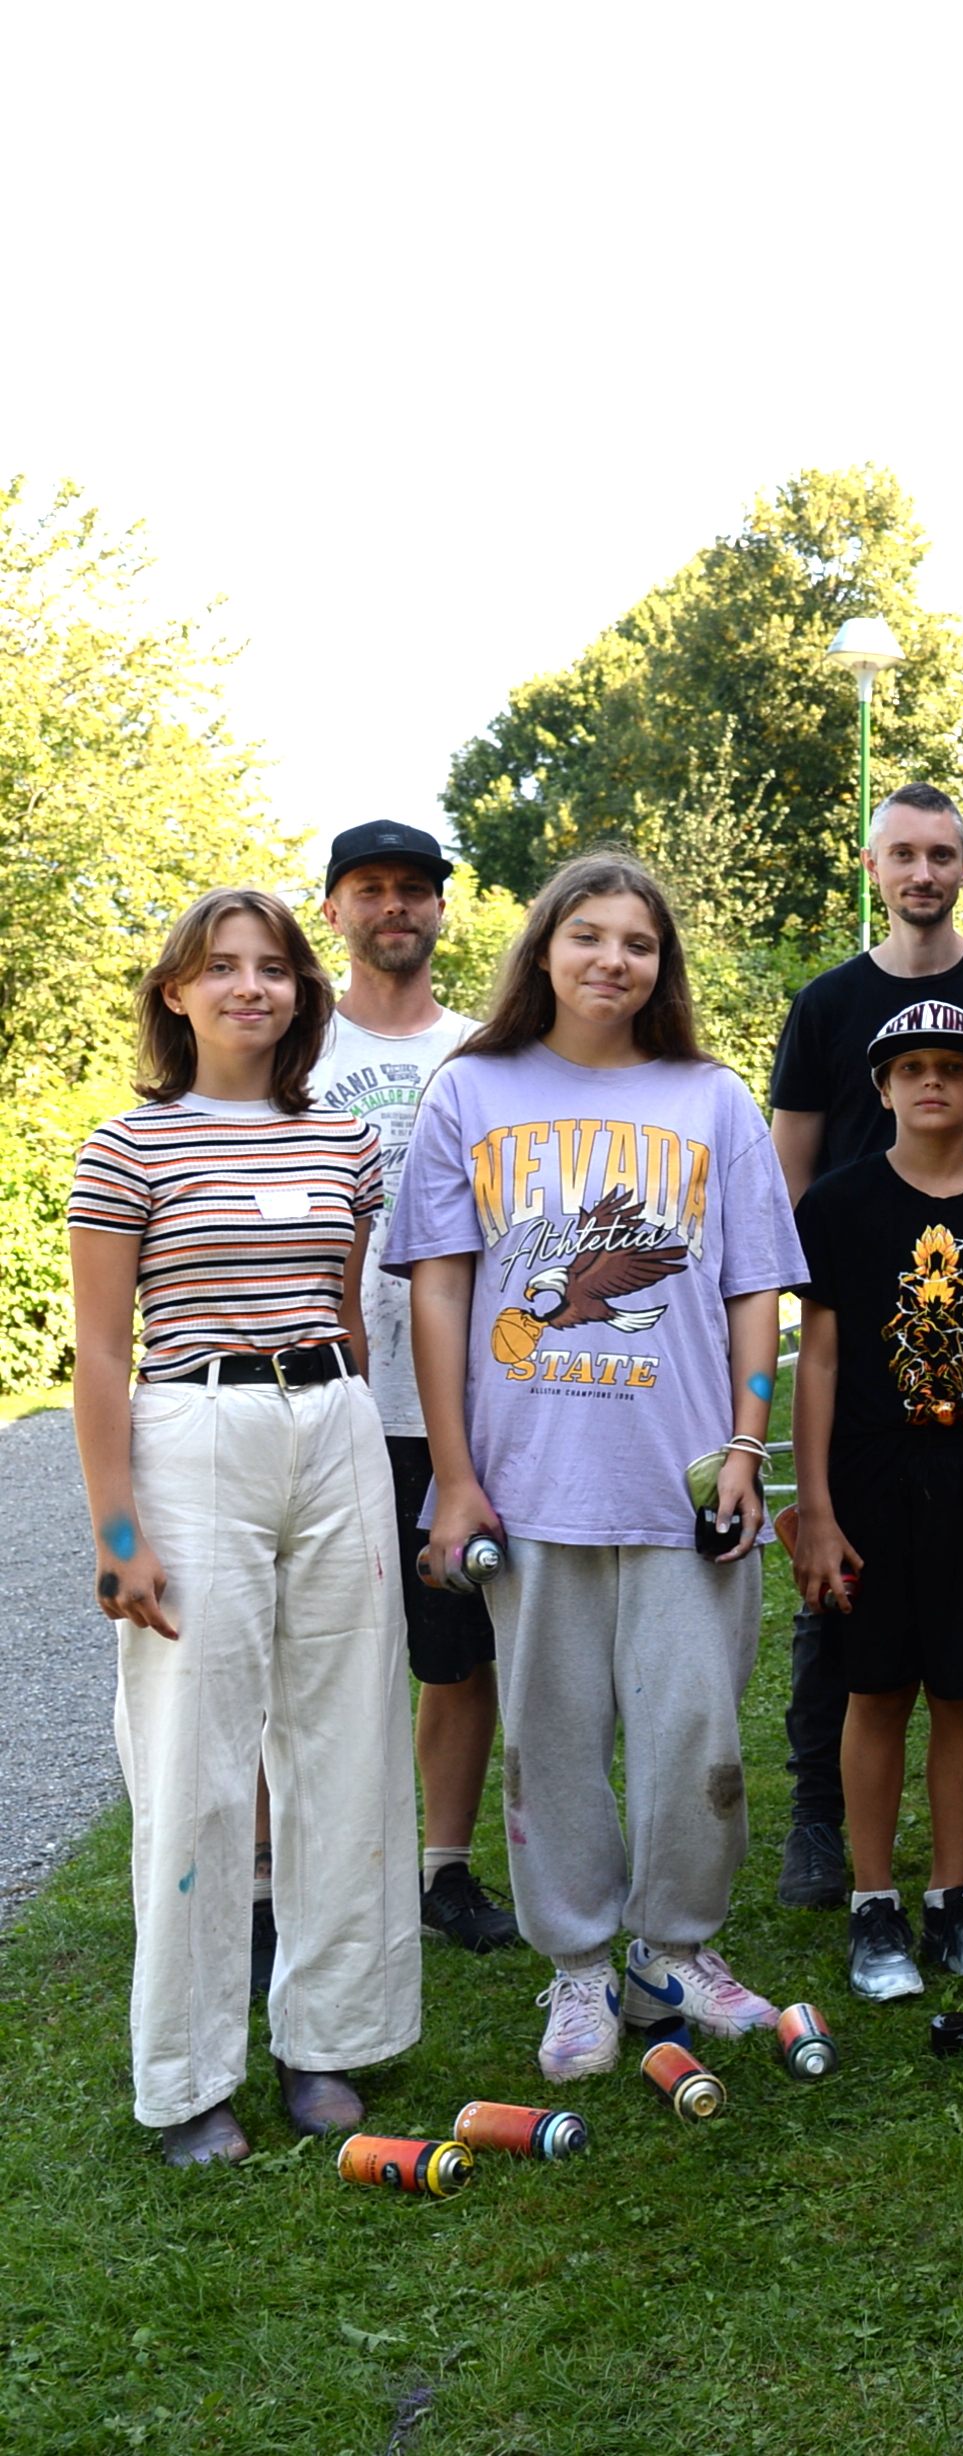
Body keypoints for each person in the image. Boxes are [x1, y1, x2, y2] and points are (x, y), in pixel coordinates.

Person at [388, 853, 803, 2080]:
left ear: (661, 964)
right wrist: (454, 1476)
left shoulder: (712, 1097)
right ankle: (577, 1968)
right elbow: (442, 1290)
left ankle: (673, 1951)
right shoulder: (472, 1090)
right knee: (552, 1741)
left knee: (697, 1737)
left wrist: (745, 1440)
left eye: (638, 941)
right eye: (589, 936)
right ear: (545, 949)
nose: (613, 959)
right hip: (529, 1483)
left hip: (681, 1483)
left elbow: (753, 1285)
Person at [68, 889, 420, 2163]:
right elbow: (100, 1352)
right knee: (196, 1763)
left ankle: (327, 2038)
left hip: (333, 1422)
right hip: (192, 1433)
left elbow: (351, 1303)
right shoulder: (127, 1145)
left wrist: (364, 1438)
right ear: (178, 992)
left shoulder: (343, 1145)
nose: (248, 987)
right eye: (220, 967)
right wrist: (118, 1527)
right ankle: (189, 2073)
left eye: (271, 967)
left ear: (300, 994)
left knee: (345, 1738)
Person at [767, 782, 963, 1910]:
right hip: (860, 1316)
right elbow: (789, 1159)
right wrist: (815, 1269)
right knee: (837, 1599)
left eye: (943, 854)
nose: (924, 872)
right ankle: (816, 1811)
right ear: (873, 864)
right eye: (904, 854)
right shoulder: (830, 1000)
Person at [789, 1001, 963, 2001]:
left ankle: (952, 1897)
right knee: (875, 1689)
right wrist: (814, 1502)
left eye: (954, 1066)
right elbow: (816, 1359)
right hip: (870, 1483)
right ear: (882, 1085)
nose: (932, 1081)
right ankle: (875, 1902)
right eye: (910, 1066)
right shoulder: (838, 1203)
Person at [312, 819, 519, 1956]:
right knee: (334, 1651)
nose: (395, 906)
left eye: (414, 889)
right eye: (370, 888)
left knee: (458, 1644)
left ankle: (444, 1867)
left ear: (443, 909)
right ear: (335, 909)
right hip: (335, 1389)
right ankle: (336, 1872)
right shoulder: (297, 1044)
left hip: (460, 1401)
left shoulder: (488, 1051)